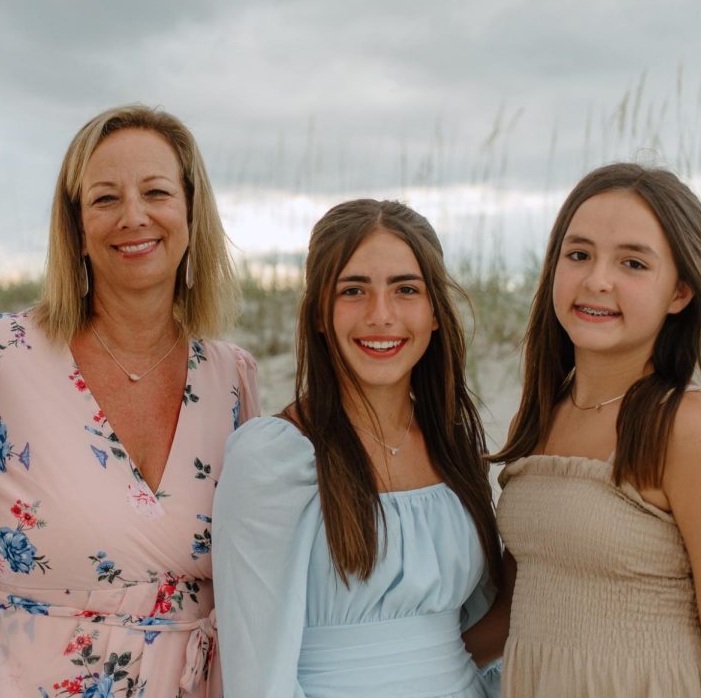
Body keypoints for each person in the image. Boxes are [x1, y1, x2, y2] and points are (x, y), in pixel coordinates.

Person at [0, 104, 260, 696]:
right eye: (105, 199)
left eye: (156, 192)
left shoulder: (230, 379)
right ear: (76, 227)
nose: (134, 216)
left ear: (190, 213)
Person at [492, 163, 701, 697]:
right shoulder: (542, 414)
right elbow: (514, 606)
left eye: (633, 263)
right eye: (578, 255)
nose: (598, 279)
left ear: (679, 293)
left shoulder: (688, 430)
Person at [213, 199, 505, 698]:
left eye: (406, 289)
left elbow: (476, 631)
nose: (381, 315)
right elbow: (258, 676)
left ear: (435, 313)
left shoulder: (452, 447)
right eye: (353, 290)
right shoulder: (274, 458)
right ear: (321, 314)